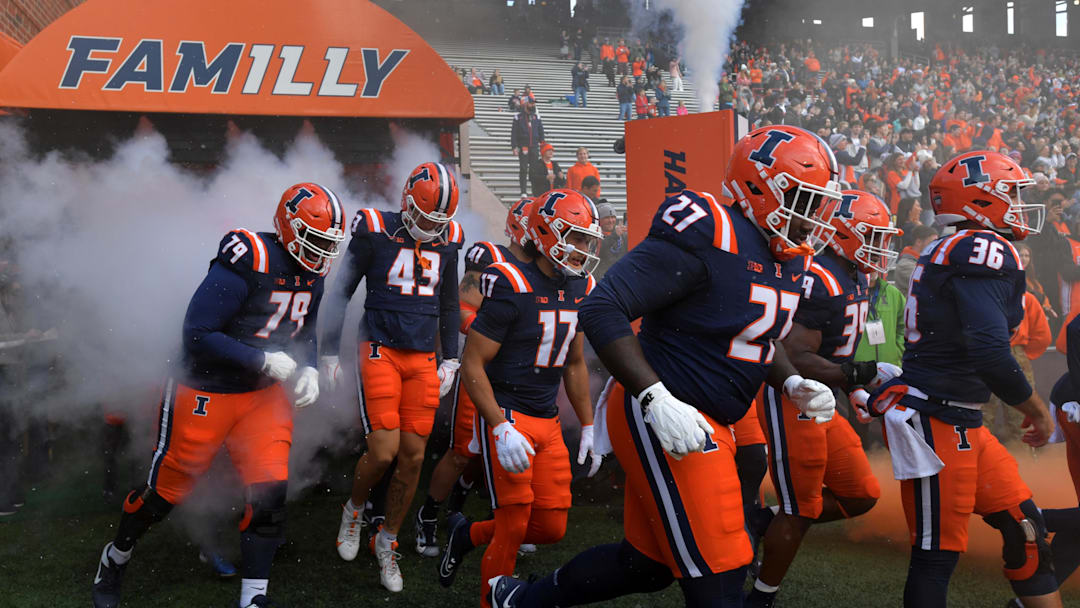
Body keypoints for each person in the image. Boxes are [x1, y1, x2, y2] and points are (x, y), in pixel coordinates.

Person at [488, 125, 842, 608]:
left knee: (647, 564)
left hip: (711, 418)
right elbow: (602, 308)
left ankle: (522, 599)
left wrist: (791, 379)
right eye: (804, 201)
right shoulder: (710, 230)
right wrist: (655, 397)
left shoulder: (789, 257)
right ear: (760, 189)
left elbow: (758, 331)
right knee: (722, 574)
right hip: (662, 408)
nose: (812, 219)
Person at [92, 183, 347, 608]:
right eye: (316, 240)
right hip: (205, 389)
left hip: (262, 398)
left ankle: (254, 597)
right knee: (163, 495)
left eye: (329, 244)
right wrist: (263, 359)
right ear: (289, 226)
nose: (322, 253)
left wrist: (308, 366)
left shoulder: (312, 274)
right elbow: (197, 334)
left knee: (269, 497)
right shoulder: (250, 257)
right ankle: (115, 556)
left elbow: (306, 331)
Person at [864, 150, 1063, 608]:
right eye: (1009, 193)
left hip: (960, 415)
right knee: (936, 557)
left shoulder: (954, 244)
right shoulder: (982, 248)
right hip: (937, 417)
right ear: (979, 200)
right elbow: (991, 352)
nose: (1017, 204)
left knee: (1025, 528)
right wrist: (1036, 409)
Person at [438, 190, 602, 605]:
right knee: (512, 523)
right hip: (507, 413)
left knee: (551, 527)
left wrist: (587, 424)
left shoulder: (582, 287)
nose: (584, 249)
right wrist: (498, 425)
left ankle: (467, 533)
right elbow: (473, 363)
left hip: (545, 418)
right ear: (546, 232)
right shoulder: (511, 282)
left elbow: (575, 363)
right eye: (576, 238)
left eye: (587, 239)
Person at [748, 190, 901, 608]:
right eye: (872, 236)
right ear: (844, 232)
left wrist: (853, 388)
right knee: (800, 507)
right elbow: (795, 356)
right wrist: (859, 375)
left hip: (822, 399)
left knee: (860, 494)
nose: (879, 247)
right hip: (791, 396)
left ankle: (761, 522)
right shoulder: (820, 276)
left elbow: (839, 347)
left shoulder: (854, 274)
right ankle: (761, 597)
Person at [327, 163, 464, 593]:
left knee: (413, 458)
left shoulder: (447, 242)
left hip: (423, 355)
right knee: (383, 451)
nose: (431, 229)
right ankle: (354, 508)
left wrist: (452, 358)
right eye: (425, 219)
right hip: (379, 348)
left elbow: (448, 303)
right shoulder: (374, 230)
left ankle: (387, 541)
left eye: (439, 222)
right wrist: (328, 350)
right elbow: (340, 293)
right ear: (406, 202)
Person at [413, 199, 535, 557]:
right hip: (484, 367)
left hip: (523, 376)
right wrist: (493, 335)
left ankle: (467, 512)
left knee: (514, 449)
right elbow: (462, 306)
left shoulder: (551, 270)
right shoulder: (489, 258)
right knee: (464, 451)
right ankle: (429, 515)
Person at [984, 243, 1052, 444]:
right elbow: (1043, 336)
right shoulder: (1027, 298)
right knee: (1019, 413)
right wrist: (1021, 353)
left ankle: (981, 460)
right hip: (1014, 354)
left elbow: (1042, 335)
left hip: (987, 353)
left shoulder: (984, 295)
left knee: (983, 414)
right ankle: (1023, 465)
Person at [511, 102, 546, 198]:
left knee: (534, 169)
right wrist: (514, 147)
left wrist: (542, 142)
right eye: (531, 103)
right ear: (526, 104)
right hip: (523, 146)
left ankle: (535, 190)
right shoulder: (518, 117)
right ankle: (523, 191)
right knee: (523, 168)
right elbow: (513, 133)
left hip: (534, 146)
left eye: (533, 104)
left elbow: (541, 130)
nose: (533, 105)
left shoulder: (536, 116)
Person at [893, 224, 938, 295]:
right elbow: (930, 285)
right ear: (918, 242)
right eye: (932, 243)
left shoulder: (926, 261)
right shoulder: (905, 265)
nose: (935, 247)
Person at [594, 202, 626, 279]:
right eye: (606, 217)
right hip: (600, 278)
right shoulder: (594, 235)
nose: (611, 220)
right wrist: (614, 236)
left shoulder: (621, 234)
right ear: (599, 220)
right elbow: (597, 251)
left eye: (613, 217)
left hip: (619, 277)